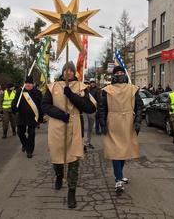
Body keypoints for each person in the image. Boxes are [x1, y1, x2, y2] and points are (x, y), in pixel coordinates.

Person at [41, 61, 96, 209]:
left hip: (75, 127)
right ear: (63, 71)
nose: (68, 72)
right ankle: (59, 175)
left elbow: (89, 107)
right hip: (57, 126)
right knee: (57, 157)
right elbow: (45, 105)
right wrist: (60, 114)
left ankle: (72, 192)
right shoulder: (52, 87)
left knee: (73, 160)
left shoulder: (81, 87)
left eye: (71, 70)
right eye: (66, 70)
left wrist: (71, 95)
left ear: (74, 72)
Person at [99, 65, 144, 195]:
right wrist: (103, 124)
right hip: (113, 123)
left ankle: (119, 174)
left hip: (128, 124)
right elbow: (102, 108)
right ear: (113, 75)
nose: (119, 74)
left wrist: (137, 122)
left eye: (120, 72)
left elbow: (139, 107)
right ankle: (118, 180)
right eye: (116, 72)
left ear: (124, 74)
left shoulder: (132, 89)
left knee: (124, 151)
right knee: (115, 152)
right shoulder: (107, 90)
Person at [12, 76, 43, 158]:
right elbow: (14, 101)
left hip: (32, 117)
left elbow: (40, 106)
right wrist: (14, 108)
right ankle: (25, 144)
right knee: (20, 133)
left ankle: (29, 151)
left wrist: (40, 118)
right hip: (21, 116)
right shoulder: (20, 92)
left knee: (31, 134)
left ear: (32, 84)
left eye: (29, 83)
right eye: (26, 83)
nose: (27, 85)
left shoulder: (37, 93)